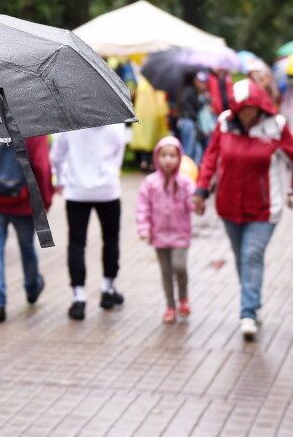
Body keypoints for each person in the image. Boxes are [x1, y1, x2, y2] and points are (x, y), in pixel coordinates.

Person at [193, 79, 293, 341]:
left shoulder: (276, 125)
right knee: (242, 259)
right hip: (228, 207)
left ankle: (248, 312)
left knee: (251, 255)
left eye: (252, 108)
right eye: (242, 109)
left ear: (260, 105)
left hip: (264, 208)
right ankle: (253, 302)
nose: (247, 113)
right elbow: (211, 157)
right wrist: (201, 190)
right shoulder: (225, 122)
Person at [0, 136, 53, 323]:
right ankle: (32, 288)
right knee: (27, 246)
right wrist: (44, 200)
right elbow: (41, 167)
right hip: (24, 200)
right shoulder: (35, 129)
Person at [50, 125, 125, 321]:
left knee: (76, 243)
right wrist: (111, 175)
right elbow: (119, 152)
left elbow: (57, 154)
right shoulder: (115, 120)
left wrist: (59, 178)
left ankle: (79, 297)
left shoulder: (68, 118)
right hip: (108, 190)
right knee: (110, 238)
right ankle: (107, 289)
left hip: (76, 190)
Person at [136, 136, 195, 323]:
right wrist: (144, 228)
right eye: (164, 155)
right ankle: (170, 306)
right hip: (159, 235)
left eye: (172, 156)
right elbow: (142, 207)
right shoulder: (150, 182)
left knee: (179, 266)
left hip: (180, 234)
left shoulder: (185, 183)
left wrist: (198, 205)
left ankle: (183, 297)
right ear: (157, 157)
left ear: (179, 158)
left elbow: (193, 203)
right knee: (166, 272)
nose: (168, 160)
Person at [177, 71, 211, 166]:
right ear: (195, 80)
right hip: (189, 122)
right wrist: (205, 100)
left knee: (197, 151)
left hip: (191, 123)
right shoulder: (190, 92)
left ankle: (193, 173)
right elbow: (197, 106)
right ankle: (184, 172)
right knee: (188, 151)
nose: (203, 85)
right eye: (200, 82)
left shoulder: (188, 91)